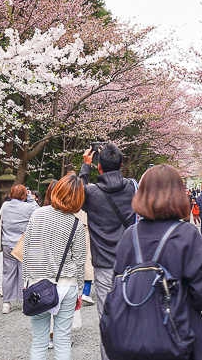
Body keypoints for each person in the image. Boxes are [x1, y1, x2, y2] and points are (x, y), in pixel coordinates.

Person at [111, 165, 202, 360]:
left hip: (134, 338)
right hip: (181, 337)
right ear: (179, 195)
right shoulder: (188, 235)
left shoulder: (129, 236)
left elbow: (116, 287)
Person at [77, 142, 136, 360]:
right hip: (131, 265)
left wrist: (86, 166)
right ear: (121, 165)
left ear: (99, 168)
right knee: (133, 316)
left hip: (103, 267)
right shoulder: (131, 187)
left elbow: (77, 193)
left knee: (107, 320)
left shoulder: (92, 193)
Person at [21, 173, 87, 360]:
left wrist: (26, 281)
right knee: (63, 340)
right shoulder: (76, 224)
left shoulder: (38, 214)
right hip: (67, 284)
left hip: (37, 284)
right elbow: (79, 261)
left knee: (39, 341)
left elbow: (28, 252)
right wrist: (80, 291)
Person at [0, 184, 39, 314]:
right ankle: (24, 302)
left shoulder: (5, 206)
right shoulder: (28, 207)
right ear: (24, 194)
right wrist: (30, 197)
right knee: (24, 273)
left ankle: (6, 303)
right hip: (23, 243)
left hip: (7, 244)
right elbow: (38, 210)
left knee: (7, 273)